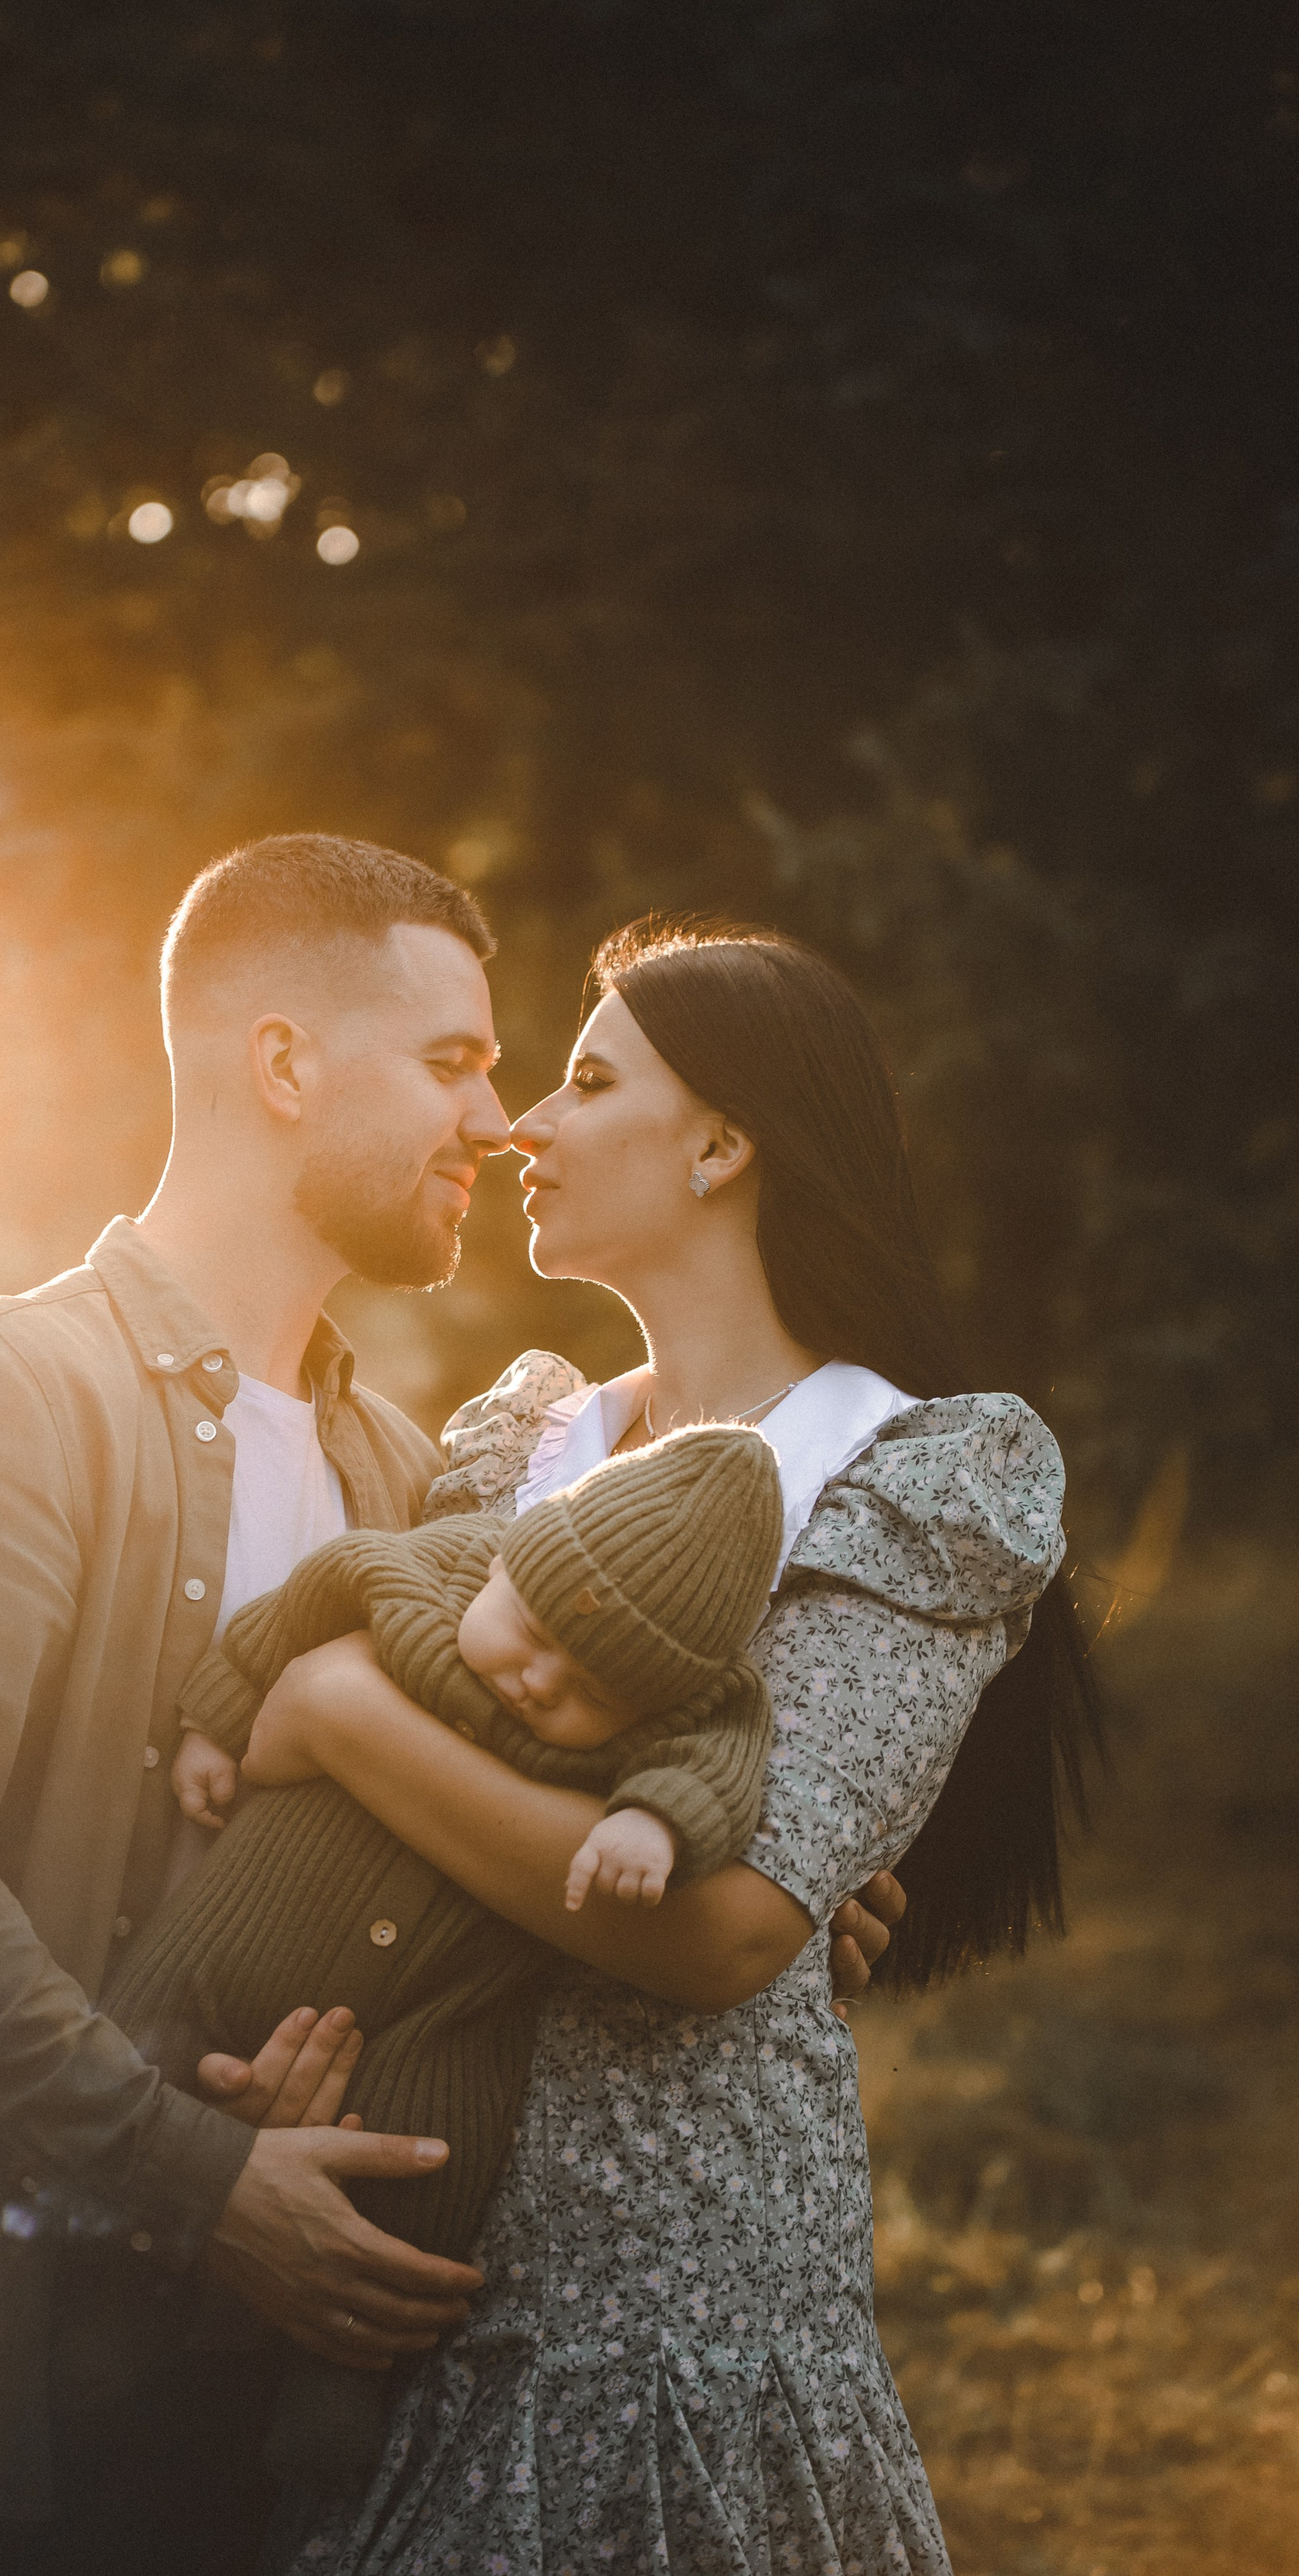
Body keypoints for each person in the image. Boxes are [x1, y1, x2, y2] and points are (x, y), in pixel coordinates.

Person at [0, 841, 901, 2576]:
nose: (498, 1122)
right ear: (284, 1064)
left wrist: (747, 1869)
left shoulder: (404, 1474)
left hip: (272, 2394)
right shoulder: (0, 1394)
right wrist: (202, 2176)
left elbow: (474, 1826)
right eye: (452, 1062)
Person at [228, 918, 1098, 2574]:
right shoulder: (511, 1446)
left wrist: (337, 1715)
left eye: (584, 1081)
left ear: (718, 1144)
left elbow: (725, 1933)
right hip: (414, 2274)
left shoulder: (908, 1471)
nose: (518, 1128)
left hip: (675, 2316)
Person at [104, 1421, 783, 2495]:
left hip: (437, 2005)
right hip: (253, 1923)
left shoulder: (703, 1705)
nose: (540, 1680)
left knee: (431, 2150)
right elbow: (298, 1605)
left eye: (595, 1691)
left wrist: (654, 1822)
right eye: (532, 1630)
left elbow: (725, 1766)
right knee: (144, 2033)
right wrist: (215, 1722)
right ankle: (100, 2289)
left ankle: (343, 2368)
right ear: (506, 1561)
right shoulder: (431, 1563)